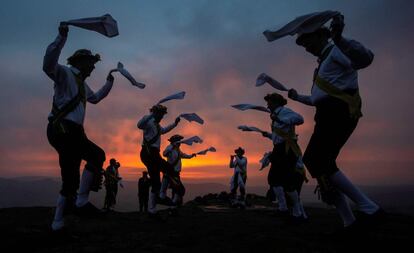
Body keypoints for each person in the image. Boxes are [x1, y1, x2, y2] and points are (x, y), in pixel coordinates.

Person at [287, 14, 383, 230]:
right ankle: (350, 221)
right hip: (326, 114)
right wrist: (297, 97)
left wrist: (339, 38)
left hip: (338, 113)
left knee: (316, 159)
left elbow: (365, 59)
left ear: (322, 35)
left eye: (308, 42)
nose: (306, 48)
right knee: (320, 164)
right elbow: (316, 99)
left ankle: (369, 208)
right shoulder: (322, 64)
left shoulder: (337, 50)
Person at [43, 23, 115, 231]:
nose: (93, 67)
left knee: (84, 166)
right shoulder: (64, 74)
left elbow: (96, 98)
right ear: (81, 61)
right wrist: (61, 37)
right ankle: (73, 209)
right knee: (84, 164)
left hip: (73, 131)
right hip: (62, 129)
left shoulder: (83, 84)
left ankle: (67, 214)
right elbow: (48, 65)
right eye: (91, 63)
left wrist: (109, 81)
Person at [261, 93, 306, 222]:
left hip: (287, 149)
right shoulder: (276, 115)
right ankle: (283, 209)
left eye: (269, 102)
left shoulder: (285, 111)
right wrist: (269, 135)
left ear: (275, 102)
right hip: (279, 149)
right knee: (274, 179)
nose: (267, 105)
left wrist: (280, 119)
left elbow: (300, 119)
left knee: (287, 182)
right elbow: (280, 136)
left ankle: (297, 214)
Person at [137, 104, 183, 215]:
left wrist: (175, 124)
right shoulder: (147, 122)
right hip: (148, 153)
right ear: (155, 113)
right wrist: (152, 114)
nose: (162, 117)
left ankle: (152, 209)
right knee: (168, 169)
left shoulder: (157, 126)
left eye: (163, 115)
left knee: (156, 181)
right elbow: (139, 125)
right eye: (161, 114)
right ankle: (163, 195)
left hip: (153, 154)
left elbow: (164, 130)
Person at [161, 134, 196, 206]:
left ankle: (173, 205)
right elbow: (164, 154)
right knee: (165, 190)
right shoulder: (170, 147)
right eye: (179, 141)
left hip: (175, 173)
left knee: (177, 190)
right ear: (174, 142)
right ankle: (170, 204)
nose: (180, 142)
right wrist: (172, 147)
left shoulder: (177, 149)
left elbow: (183, 155)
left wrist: (191, 156)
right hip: (170, 173)